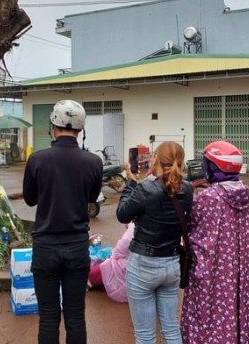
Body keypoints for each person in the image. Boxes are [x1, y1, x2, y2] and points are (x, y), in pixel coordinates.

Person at [22, 100, 103, 344]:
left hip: (46, 247)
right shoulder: (94, 162)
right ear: (81, 129)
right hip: (77, 246)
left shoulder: (37, 159)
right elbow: (91, 198)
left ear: (53, 125)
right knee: (76, 314)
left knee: (48, 316)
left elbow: (29, 199)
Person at [181, 141, 249, 343]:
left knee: (211, 309)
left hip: (213, 268)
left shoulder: (209, 196)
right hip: (237, 268)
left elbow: (191, 227)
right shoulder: (244, 192)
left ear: (214, 166)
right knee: (234, 305)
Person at [116, 141, 193, 344]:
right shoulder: (187, 189)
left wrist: (131, 182)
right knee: (171, 329)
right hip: (172, 263)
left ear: (156, 159)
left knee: (145, 335)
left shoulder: (145, 188)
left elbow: (122, 215)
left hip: (144, 264)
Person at [87, 222, 134, 303]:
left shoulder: (135, 228)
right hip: (153, 269)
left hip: (131, 269)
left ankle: (88, 280)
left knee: (99, 269)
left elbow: (119, 250)